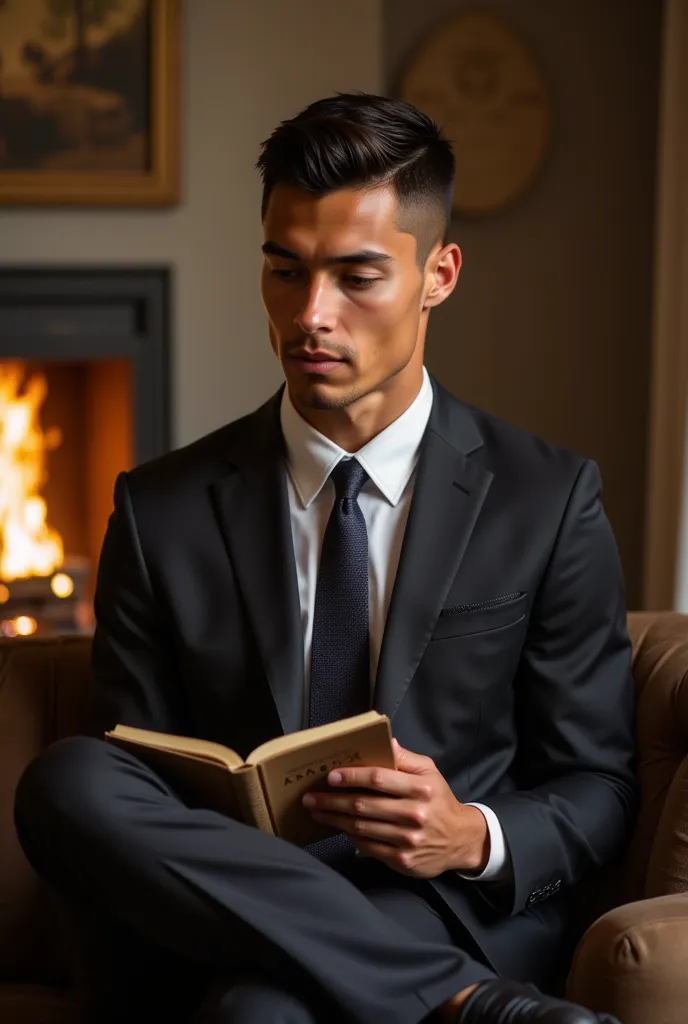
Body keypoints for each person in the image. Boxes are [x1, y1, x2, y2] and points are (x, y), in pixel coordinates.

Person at [14, 93, 637, 1024]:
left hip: (438, 905)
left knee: (258, 1015)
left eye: (357, 276)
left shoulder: (548, 499)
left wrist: (471, 835)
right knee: (67, 779)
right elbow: (134, 780)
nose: (310, 315)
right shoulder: (159, 508)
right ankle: (466, 1007)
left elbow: (600, 783)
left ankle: (445, 977)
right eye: (285, 269)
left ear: (440, 274)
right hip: (235, 902)